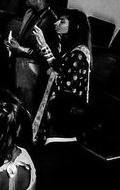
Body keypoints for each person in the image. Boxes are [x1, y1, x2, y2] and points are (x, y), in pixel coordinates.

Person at [30, 8, 92, 142]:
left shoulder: (79, 54)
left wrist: (53, 73)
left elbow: (67, 84)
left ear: (75, 26)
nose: (56, 23)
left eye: (62, 21)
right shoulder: (71, 49)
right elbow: (58, 66)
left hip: (66, 111)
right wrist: (44, 46)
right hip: (58, 103)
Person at [5, 0, 56, 113]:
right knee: (16, 100)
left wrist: (20, 48)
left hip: (33, 67)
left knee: (26, 105)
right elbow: (23, 37)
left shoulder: (50, 20)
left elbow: (45, 52)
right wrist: (14, 43)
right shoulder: (29, 13)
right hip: (20, 63)